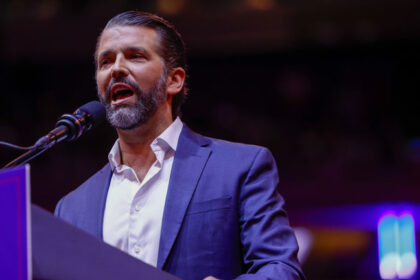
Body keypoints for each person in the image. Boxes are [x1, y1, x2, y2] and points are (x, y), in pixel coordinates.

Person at [55, 11, 305, 280]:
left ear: (174, 80)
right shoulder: (71, 209)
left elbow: (281, 270)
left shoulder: (239, 169)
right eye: (105, 61)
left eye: (135, 56)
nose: (116, 68)